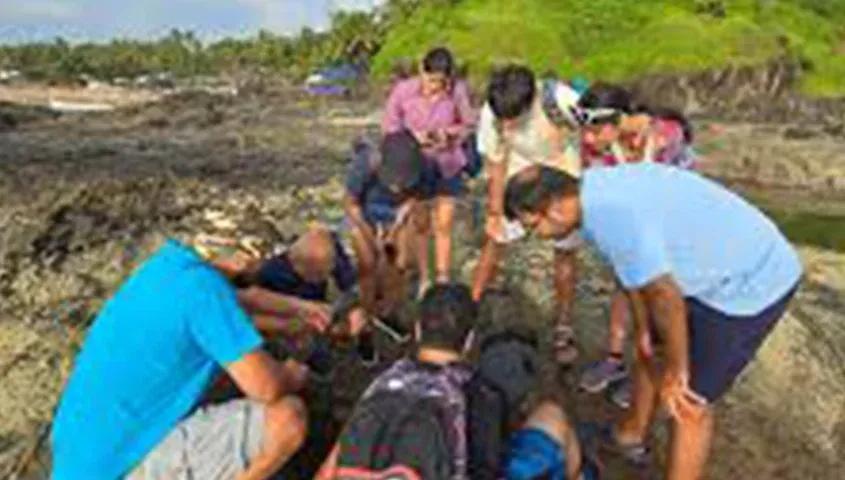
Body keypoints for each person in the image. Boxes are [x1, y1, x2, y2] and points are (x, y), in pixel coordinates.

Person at [504, 164, 802, 480]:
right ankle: (630, 434)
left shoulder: (611, 217)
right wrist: (645, 330)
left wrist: (678, 370)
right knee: (649, 350)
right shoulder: (589, 194)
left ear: (556, 209)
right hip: (698, 268)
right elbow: (634, 275)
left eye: (532, 226)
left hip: (747, 281)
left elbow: (664, 295)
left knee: (689, 402)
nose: (534, 236)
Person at [52, 238, 316, 480]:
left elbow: (242, 303)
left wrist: (302, 313)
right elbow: (267, 388)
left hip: (83, 459)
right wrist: (293, 372)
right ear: (240, 257)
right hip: (126, 466)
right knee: (287, 419)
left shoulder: (167, 269)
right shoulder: (204, 291)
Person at [575, 83, 699, 407]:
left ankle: (654, 369)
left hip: (670, 222)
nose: (588, 140)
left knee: (659, 297)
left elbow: (676, 192)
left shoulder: (665, 137)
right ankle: (615, 358)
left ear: (616, 121)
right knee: (623, 285)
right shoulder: (599, 146)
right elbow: (599, 187)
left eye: (594, 131)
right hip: (630, 222)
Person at [471, 63, 584, 366]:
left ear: (530, 101)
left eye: (514, 120)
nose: (506, 126)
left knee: (565, 253)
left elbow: (598, 134)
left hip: (563, 178)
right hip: (519, 178)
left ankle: (563, 325)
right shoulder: (493, 111)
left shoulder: (558, 100)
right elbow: (495, 161)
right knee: (494, 241)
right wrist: (495, 211)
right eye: (502, 120)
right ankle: (470, 310)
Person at [316, 283, 478, 479]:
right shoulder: (474, 396)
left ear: (417, 330)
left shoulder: (385, 381)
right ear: (470, 339)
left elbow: (329, 468)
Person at [382, 47, 476, 291]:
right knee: (421, 224)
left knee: (444, 223)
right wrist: (413, 137)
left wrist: (447, 134)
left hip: (448, 161)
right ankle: (425, 277)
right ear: (421, 71)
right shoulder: (404, 91)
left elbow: (468, 124)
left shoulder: (457, 91)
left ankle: (443, 277)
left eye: (441, 82)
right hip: (416, 163)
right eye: (431, 80)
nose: (435, 86)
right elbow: (390, 127)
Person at [344, 130, 432, 320]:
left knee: (398, 262)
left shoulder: (424, 165)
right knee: (368, 263)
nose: (398, 188)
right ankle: (367, 313)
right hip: (364, 213)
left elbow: (418, 199)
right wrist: (370, 235)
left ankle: (390, 310)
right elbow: (351, 204)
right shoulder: (365, 163)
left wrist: (396, 227)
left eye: (404, 183)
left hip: (397, 212)